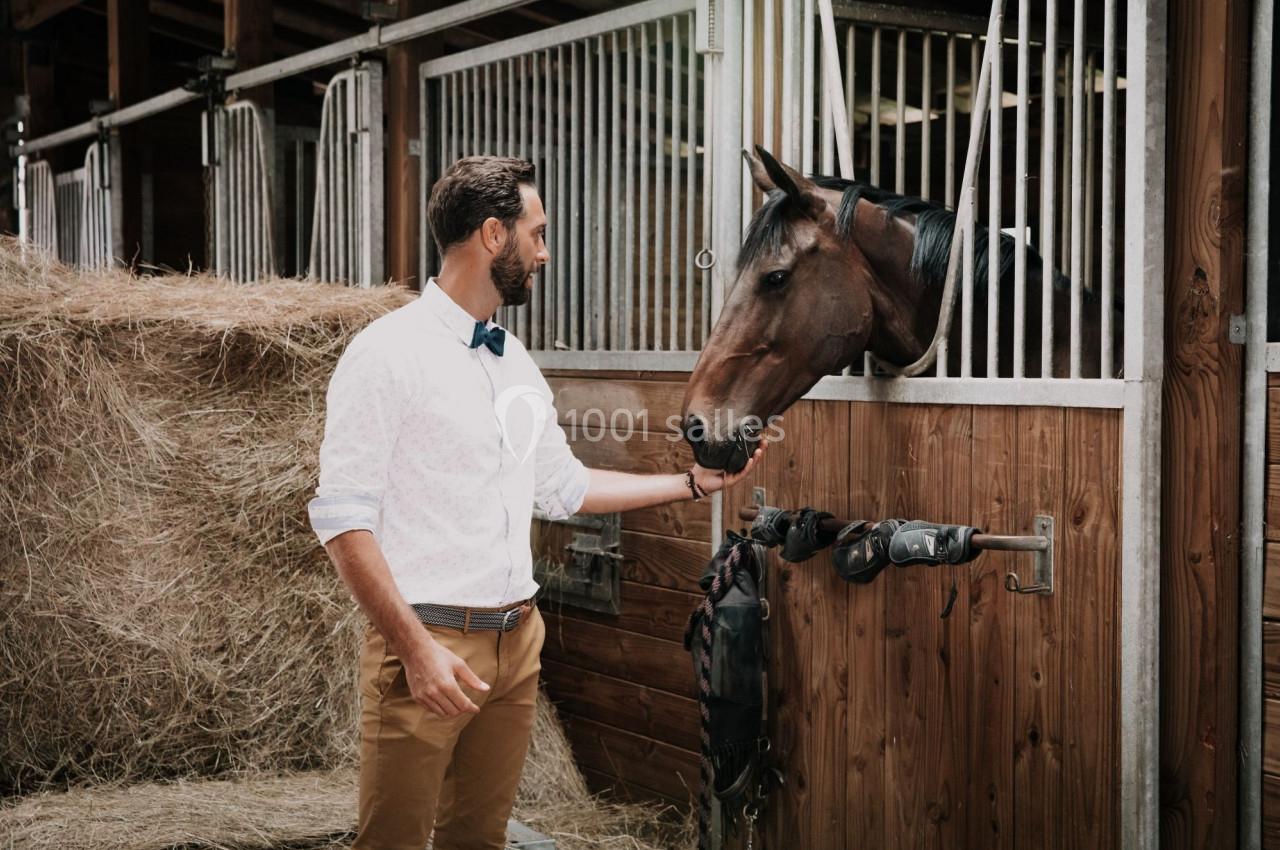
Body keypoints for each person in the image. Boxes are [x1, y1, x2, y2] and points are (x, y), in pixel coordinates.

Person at [307, 156, 766, 850]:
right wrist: (415, 650)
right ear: (494, 235)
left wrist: (693, 483)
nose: (544, 253)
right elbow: (344, 521)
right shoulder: (384, 355)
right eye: (537, 234)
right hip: (429, 640)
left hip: (517, 642)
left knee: (479, 839)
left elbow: (562, 487)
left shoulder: (513, 361)